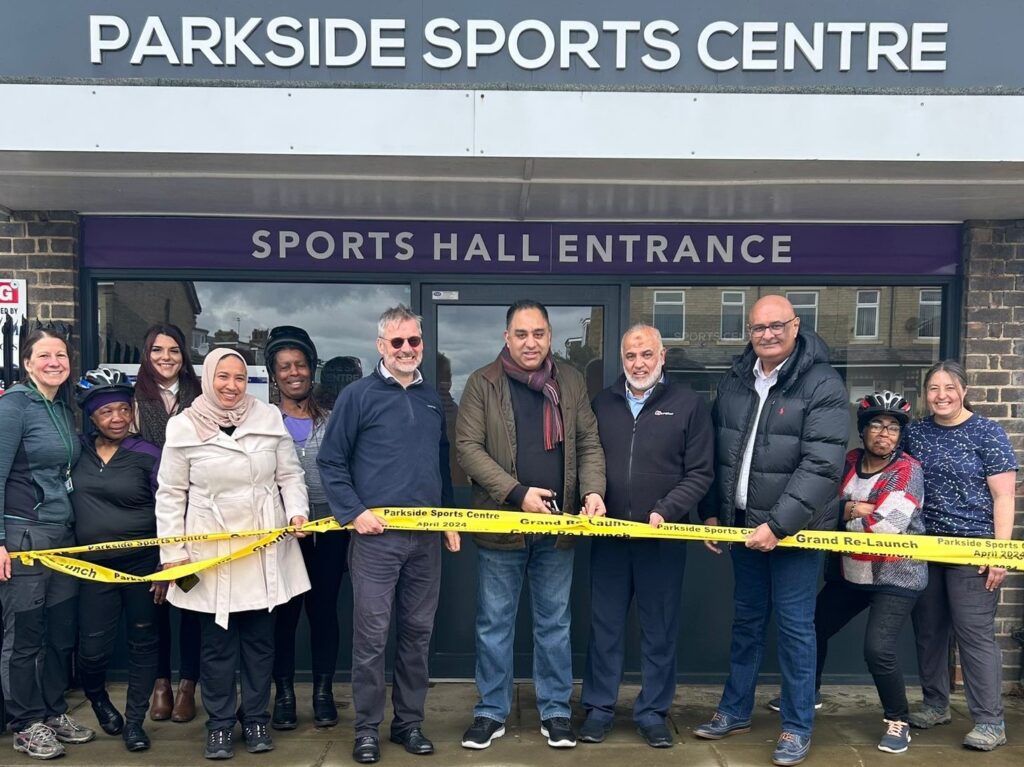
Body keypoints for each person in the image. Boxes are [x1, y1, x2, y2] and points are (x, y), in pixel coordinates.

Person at [695, 294, 848, 767]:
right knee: (746, 623)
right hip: (743, 528)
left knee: (796, 629)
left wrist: (778, 526)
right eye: (758, 327)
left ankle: (797, 726)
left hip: (794, 535)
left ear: (795, 326)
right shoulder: (737, 378)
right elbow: (719, 450)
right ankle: (735, 710)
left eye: (776, 325)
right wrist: (713, 513)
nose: (767, 334)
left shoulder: (822, 383)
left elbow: (822, 465)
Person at [456, 299, 606, 751]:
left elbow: (589, 443)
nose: (530, 342)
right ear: (507, 337)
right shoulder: (482, 382)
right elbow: (468, 448)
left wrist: (593, 492)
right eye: (521, 334)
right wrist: (519, 494)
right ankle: (490, 712)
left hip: (558, 528)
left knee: (555, 624)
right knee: (494, 624)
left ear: (549, 336)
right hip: (504, 524)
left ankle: (556, 711)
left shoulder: (571, 381)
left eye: (538, 333)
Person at [155, 348, 311, 760]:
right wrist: (172, 554)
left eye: (239, 378)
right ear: (208, 378)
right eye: (223, 376)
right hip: (211, 550)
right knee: (218, 646)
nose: (231, 385)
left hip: (263, 550)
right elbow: (171, 495)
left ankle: (256, 718)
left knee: (261, 643)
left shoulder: (267, 418)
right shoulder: (183, 427)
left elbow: (289, 474)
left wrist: (297, 511)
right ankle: (220, 725)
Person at [318, 305, 457, 765]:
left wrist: (449, 517)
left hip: (425, 541)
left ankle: (409, 724)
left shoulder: (432, 399)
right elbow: (331, 463)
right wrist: (354, 513)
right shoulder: (357, 396)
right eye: (396, 342)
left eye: (413, 341)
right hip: (376, 540)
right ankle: (366, 729)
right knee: (372, 637)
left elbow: (440, 466)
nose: (406, 350)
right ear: (381, 346)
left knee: (417, 634)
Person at [767, 392, 926, 754]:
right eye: (876, 425)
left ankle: (898, 721)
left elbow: (888, 528)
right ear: (863, 430)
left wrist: (847, 514)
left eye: (892, 428)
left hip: (896, 577)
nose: (883, 434)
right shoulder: (849, 461)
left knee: (877, 650)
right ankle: (809, 694)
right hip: (851, 573)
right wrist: (854, 509)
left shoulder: (908, 470)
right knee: (814, 627)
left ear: (900, 435)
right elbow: (824, 508)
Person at [581, 324, 713, 748]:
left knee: (659, 630)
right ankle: (599, 708)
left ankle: (654, 712)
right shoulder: (603, 403)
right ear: (622, 360)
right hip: (610, 538)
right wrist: (593, 496)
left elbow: (701, 474)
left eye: (646, 355)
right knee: (605, 629)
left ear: (663, 357)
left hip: (663, 539)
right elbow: (589, 458)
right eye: (630, 356)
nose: (638, 363)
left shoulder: (689, 405)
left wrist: (666, 509)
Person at [904, 360, 1018, 751]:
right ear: (925, 394)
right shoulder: (915, 433)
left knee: (974, 635)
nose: (941, 395)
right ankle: (935, 705)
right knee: (930, 631)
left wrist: (999, 552)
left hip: (974, 550)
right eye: (933, 388)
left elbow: (1004, 496)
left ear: (963, 390)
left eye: (949, 387)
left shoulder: (986, 432)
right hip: (923, 548)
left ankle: (990, 721)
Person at [0, 327, 95, 760]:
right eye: (44, 355)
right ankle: (24, 722)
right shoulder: (15, 406)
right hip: (24, 536)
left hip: (62, 535)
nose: (55, 361)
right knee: (25, 634)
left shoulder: (61, 407)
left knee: (60, 632)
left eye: (61, 354)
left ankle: (54, 712)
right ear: (27, 362)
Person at [72, 368, 165, 752]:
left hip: (143, 565)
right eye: (106, 412)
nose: (117, 418)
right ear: (91, 417)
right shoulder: (76, 451)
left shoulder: (147, 454)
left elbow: (170, 510)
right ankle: (97, 698)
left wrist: (166, 565)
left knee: (144, 642)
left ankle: (134, 722)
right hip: (93, 569)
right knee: (92, 648)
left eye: (123, 410)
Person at [264, 326, 349, 729]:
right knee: (284, 614)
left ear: (311, 369)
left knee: (323, 611)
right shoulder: (262, 422)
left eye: (300, 364)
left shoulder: (332, 420)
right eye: (284, 366)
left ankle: (322, 692)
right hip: (280, 531)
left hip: (330, 528)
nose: (293, 372)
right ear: (274, 373)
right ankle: (282, 695)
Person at [134, 323, 203, 724]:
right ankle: (161, 682)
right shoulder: (135, 397)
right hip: (148, 510)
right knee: (155, 601)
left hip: (196, 512)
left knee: (192, 597)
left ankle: (188, 685)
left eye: (174, 350)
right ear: (147, 353)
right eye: (157, 350)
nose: (166, 357)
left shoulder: (199, 395)